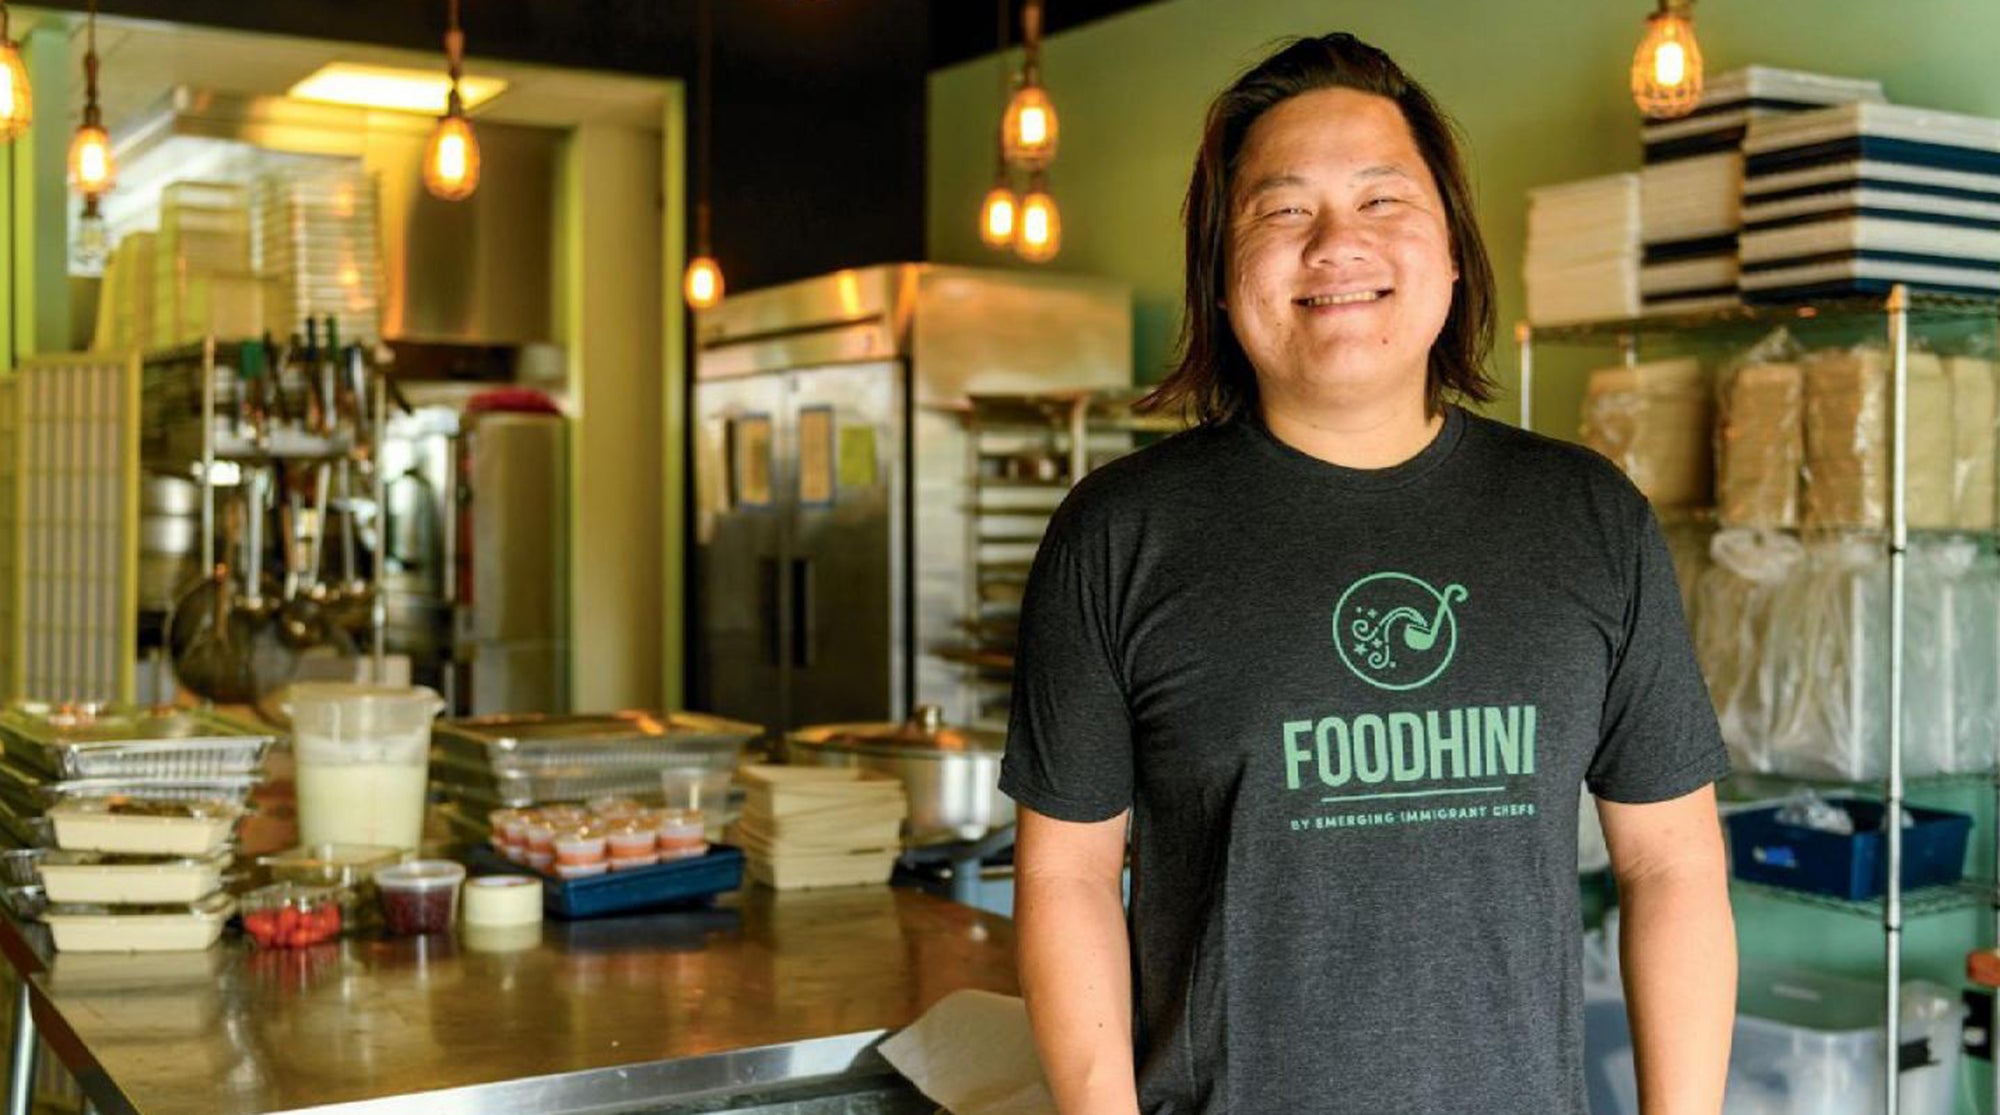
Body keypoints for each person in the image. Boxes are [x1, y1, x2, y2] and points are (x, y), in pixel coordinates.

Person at [1000, 31, 1735, 1115]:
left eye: (1382, 200)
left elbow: (1670, 863)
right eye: (1282, 209)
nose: (1334, 243)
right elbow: (1065, 876)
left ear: (1449, 256)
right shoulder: (1119, 532)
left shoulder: (1585, 519)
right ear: (1219, 272)